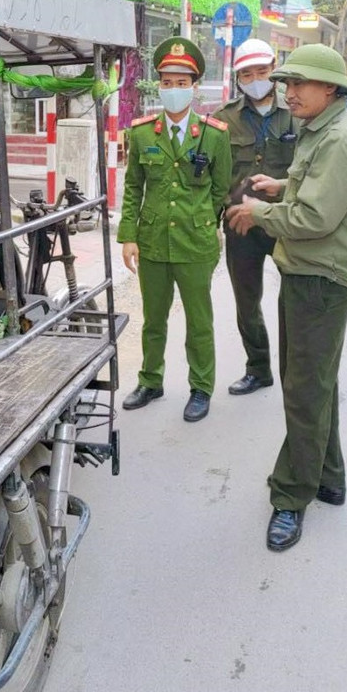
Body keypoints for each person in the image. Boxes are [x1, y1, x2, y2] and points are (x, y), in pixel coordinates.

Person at [226, 44, 347, 552]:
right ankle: (329, 476)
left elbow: (315, 219)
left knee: (304, 390)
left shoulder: (341, 140)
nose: (289, 91)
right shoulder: (323, 130)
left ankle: (291, 496)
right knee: (315, 381)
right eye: (286, 82)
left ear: (330, 88)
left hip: (321, 277)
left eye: (299, 84)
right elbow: (310, 183)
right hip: (310, 273)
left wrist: (258, 212)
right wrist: (282, 182)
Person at [119, 37, 232, 422]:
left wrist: (203, 223)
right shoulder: (141, 133)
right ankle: (151, 380)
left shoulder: (215, 134)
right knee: (154, 319)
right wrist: (129, 236)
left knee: (199, 322)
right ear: (159, 86)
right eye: (166, 82)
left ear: (195, 87)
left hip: (196, 243)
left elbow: (221, 190)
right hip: (152, 241)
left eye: (182, 82)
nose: (173, 89)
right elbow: (133, 186)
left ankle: (201, 388)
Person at [214, 38, 299, 396]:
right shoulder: (223, 119)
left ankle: (299, 374)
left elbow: (309, 172)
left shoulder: (297, 114)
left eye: (262, 71)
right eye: (247, 74)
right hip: (240, 226)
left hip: (284, 224)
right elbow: (215, 177)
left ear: (274, 70)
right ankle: (259, 368)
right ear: (238, 78)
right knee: (246, 301)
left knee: (295, 301)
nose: (255, 79)